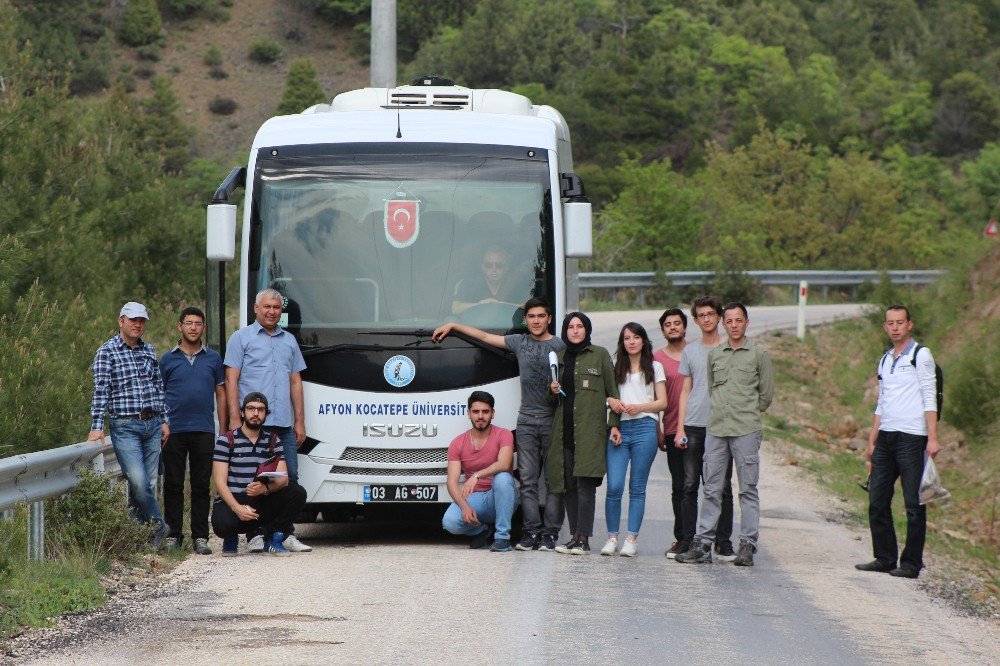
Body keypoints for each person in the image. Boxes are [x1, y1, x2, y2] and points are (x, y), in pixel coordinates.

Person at [433, 297, 565, 552]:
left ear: (549, 319)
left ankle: (550, 533)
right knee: (526, 480)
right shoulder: (519, 342)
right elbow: (484, 336)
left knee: (553, 480)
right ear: (525, 321)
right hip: (526, 420)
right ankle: (530, 532)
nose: (536, 321)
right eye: (531, 317)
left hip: (552, 420)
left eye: (541, 316)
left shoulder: (560, 346)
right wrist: (454, 326)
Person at [677, 303, 773, 567]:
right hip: (716, 429)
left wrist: (746, 411)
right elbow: (711, 389)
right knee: (711, 488)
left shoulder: (758, 354)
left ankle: (747, 545)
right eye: (729, 321)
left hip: (745, 429)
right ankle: (704, 544)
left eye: (738, 320)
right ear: (725, 323)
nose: (733, 325)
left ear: (746, 322)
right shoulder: (715, 355)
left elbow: (765, 396)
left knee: (747, 489)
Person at [855, 305, 940, 579]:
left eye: (899, 323)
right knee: (877, 499)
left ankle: (911, 564)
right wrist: (872, 438)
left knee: (914, 504)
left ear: (909, 325)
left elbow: (929, 395)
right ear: (885, 326)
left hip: (913, 438)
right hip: (887, 438)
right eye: (890, 323)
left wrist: (932, 438)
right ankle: (885, 558)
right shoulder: (885, 359)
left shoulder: (921, 355)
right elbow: (882, 401)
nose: (895, 327)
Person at [225, 288, 311, 552]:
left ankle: (284, 534)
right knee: (253, 480)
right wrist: (233, 420)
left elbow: (295, 381)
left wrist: (300, 421)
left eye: (276, 308)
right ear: (256, 308)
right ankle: (255, 533)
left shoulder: (289, 341)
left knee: (289, 479)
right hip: (252, 426)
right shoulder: (241, 338)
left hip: (283, 424)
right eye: (267, 307)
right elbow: (232, 379)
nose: (272, 311)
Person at [88, 301, 169, 543]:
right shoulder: (107, 351)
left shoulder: (148, 350)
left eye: (141, 320)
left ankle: (138, 538)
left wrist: (164, 420)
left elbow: (158, 386)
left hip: (152, 423)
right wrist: (96, 425)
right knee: (138, 481)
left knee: (148, 484)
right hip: (125, 426)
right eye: (133, 320)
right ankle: (159, 526)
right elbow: (101, 390)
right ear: (121, 321)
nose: (137, 324)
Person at [548, 312, 620, 555]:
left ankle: (584, 539)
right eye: (570, 327)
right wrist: (553, 389)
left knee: (585, 484)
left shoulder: (599, 355)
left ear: (587, 330)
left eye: (580, 326)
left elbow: (613, 394)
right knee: (569, 485)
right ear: (565, 331)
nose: (575, 331)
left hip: (590, 431)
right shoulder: (558, 357)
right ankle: (574, 537)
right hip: (564, 431)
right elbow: (552, 400)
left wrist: (614, 424)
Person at [671, 297, 736, 560]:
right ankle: (689, 539)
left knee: (722, 486)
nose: (707, 319)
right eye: (701, 315)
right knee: (689, 485)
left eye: (711, 314)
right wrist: (679, 428)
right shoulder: (691, 351)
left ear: (719, 317)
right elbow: (686, 389)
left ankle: (723, 541)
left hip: (722, 425)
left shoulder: (730, 347)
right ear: (696, 321)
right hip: (694, 424)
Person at [159, 307, 227, 555]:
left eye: (198, 324)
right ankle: (173, 534)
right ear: (180, 326)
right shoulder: (167, 359)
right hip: (174, 431)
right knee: (173, 484)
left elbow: (221, 393)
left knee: (201, 485)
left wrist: (224, 428)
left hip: (204, 429)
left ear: (203, 328)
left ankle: (200, 537)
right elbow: (159, 394)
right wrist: (162, 423)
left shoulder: (213, 358)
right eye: (189, 323)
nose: (193, 328)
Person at [211, 392, 308, 556]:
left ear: (266, 414)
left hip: (259, 499)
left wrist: (264, 489)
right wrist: (237, 508)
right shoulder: (226, 441)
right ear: (242, 412)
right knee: (223, 524)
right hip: (233, 501)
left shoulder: (272, 440)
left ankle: (273, 539)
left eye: (260, 410)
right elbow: (219, 482)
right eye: (251, 409)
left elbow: (283, 478)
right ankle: (230, 537)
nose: (255, 413)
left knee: (297, 493)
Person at [601, 323, 667, 557]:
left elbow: (662, 402)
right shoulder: (615, 365)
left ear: (643, 341)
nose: (631, 342)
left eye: (636, 337)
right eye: (627, 338)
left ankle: (631, 539)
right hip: (619, 428)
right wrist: (613, 406)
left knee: (637, 488)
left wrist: (639, 407)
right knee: (615, 486)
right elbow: (606, 396)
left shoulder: (655, 366)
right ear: (622, 342)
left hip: (645, 428)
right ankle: (611, 538)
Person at [441, 391, 518, 552]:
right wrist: (464, 507)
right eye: (476, 412)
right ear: (469, 413)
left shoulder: (504, 434)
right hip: (474, 499)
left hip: (499, 496)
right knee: (449, 522)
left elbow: (504, 463)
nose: (480, 416)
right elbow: (452, 483)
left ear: (493, 414)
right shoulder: (457, 442)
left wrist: (477, 475)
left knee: (503, 478)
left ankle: (502, 538)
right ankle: (482, 530)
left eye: (485, 411)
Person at [651, 308, 691, 557]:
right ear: (663, 330)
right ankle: (683, 538)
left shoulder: (697, 353)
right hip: (671, 428)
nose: (673, 327)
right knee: (679, 486)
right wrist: (658, 428)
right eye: (668, 324)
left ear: (685, 327)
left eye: (677, 323)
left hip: (699, 429)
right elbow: (653, 397)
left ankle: (713, 538)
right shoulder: (656, 360)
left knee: (703, 485)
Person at [451, 247, 526, 315]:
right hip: (474, 328)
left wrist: (500, 305)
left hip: (510, 329)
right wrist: (480, 305)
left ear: (506, 268)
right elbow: (455, 309)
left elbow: (529, 308)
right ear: (483, 267)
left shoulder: (516, 286)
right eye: (489, 265)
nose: (494, 269)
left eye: (499, 265)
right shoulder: (468, 284)